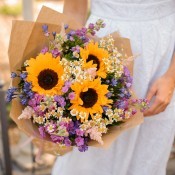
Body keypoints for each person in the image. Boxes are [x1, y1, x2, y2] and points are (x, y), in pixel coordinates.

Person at [52, 0, 175, 174]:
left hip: (163, 60)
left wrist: (171, 75)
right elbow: (74, 9)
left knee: (147, 161)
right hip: (100, 52)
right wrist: (69, 63)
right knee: (89, 161)